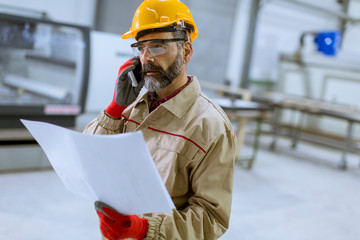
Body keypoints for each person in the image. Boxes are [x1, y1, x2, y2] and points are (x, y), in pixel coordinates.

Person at [83, 0, 236, 239]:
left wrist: (144, 229)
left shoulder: (211, 126)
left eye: (157, 47)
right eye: (141, 48)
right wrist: (114, 109)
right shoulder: (132, 107)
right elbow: (89, 156)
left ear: (186, 51)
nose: (146, 58)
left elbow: (211, 218)